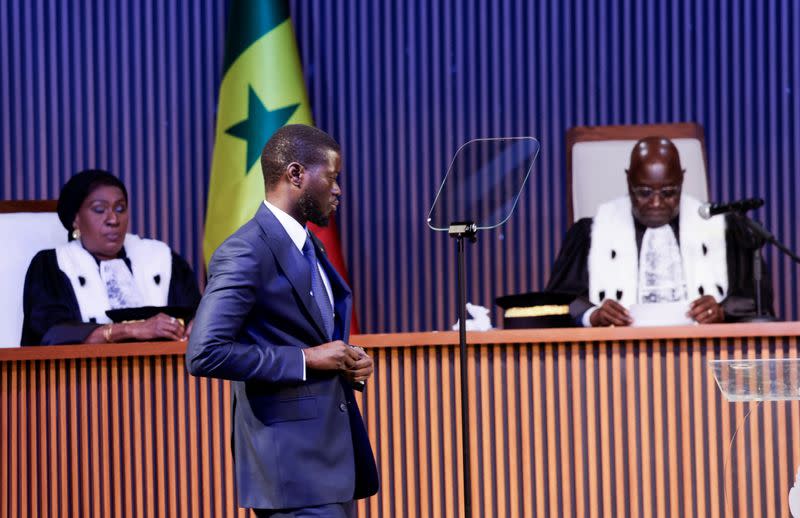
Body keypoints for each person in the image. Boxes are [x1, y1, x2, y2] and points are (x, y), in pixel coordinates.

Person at [186, 124, 379, 517]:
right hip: (291, 470)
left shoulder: (311, 246)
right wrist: (306, 359)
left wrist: (349, 359)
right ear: (295, 175)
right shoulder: (245, 251)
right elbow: (205, 353)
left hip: (332, 465)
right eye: (332, 177)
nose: (338, 190)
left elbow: (312, 334)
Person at [547, 136, 773, 326]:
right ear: (628, 180)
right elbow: (558, 302)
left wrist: (722, 311)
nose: (656, 202)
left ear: (682, 179)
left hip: (703, 353)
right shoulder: (592, 233)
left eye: (668, 192)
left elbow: (756, 300)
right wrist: (593, 314)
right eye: (644, 192)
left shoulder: (721, 229)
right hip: (615, 361)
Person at [21, 169, 201, 345]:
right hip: (83, 372)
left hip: (165, 372)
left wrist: (199, 326)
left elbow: (197, 314)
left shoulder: (162, 259)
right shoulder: (53, 265)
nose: (113, 219)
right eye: (99, 210)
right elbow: (51, 334)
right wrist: (130, 330)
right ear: (75, 219)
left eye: (120, 208)